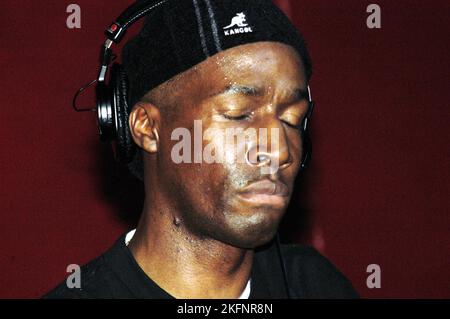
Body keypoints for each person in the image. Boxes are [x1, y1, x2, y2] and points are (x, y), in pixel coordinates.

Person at [45, 0, 358, 299]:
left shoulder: (316, 284)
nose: (279, 150)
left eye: (292, 119)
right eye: (239, 114)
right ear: (147, 128)